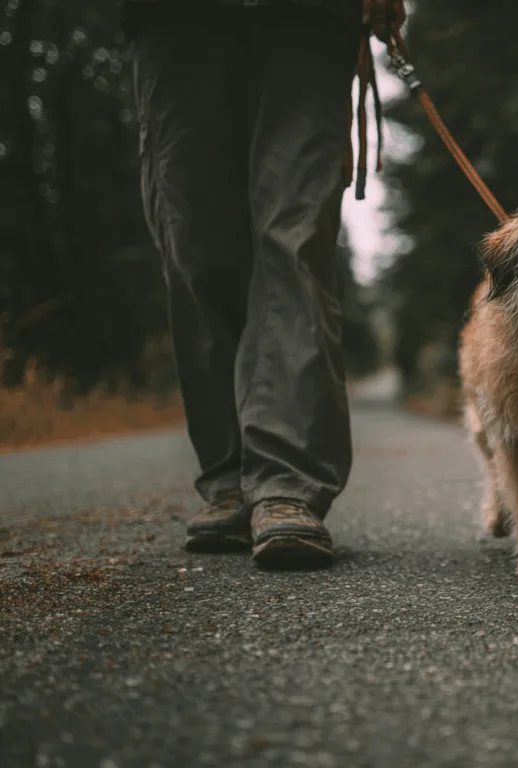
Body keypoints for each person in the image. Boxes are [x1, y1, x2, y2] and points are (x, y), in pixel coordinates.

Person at [124, 0, 405, 567]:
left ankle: (285, 484)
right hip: (171, 21)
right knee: (196, 245)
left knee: (293, 241)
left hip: (311, 19)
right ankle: (228, 478)